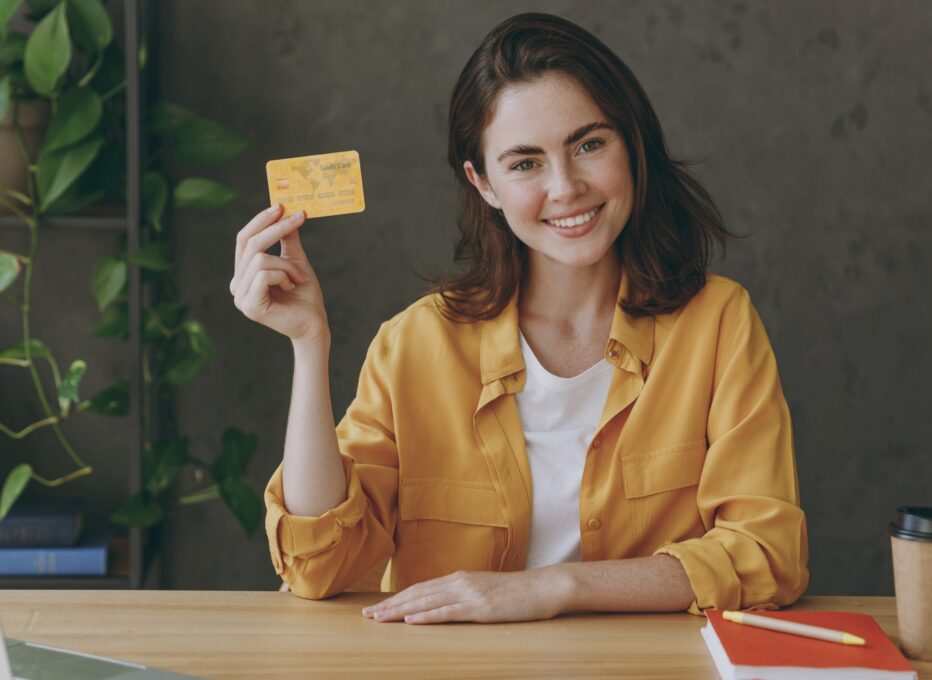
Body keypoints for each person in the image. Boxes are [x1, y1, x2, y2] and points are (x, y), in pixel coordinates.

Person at [231, 12, 808, 624]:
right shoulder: (414, 344)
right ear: (483, 184)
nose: (565, 187)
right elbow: (318, 567)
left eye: (589, 144)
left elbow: (767, 554)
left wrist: (555, 587)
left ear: (631, 145)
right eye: (525, 163)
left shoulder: (718, 323)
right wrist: (308, 344)